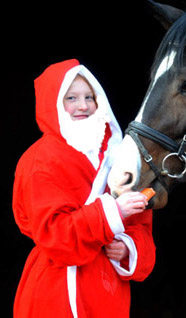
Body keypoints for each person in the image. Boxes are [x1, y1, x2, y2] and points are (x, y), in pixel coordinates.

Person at [13, 59, 156, 318]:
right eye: (71, 98)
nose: (83, 105)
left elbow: (141, 225)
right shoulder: (40, 159)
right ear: (53, 103)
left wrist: (128, 247)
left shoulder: (116, 156)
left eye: (90, 96)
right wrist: (111, 213)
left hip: (108, 290)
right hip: (56, 290)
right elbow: (54, 236)